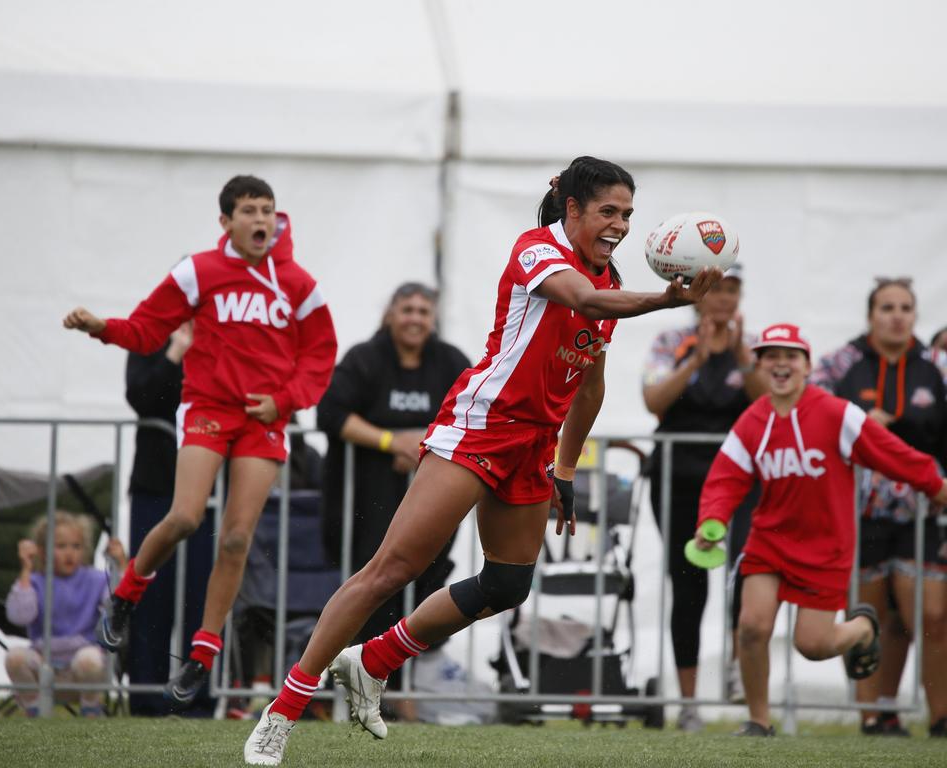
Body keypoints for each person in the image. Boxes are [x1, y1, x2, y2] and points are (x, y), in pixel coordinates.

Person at [242, 155, 724, 765]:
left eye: (628, 214)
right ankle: (282, 712)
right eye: (608, 211)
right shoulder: (537, 250)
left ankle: (373, 661)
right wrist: (665, 299)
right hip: (480, 428)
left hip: (533, 446)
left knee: (507, 584)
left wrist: (566, 469)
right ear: (572, 208)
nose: (620, 225)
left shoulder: (608, 279)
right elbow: (581, 299)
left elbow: (591, 386)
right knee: (391, 569)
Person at [63, 175, 337, 706]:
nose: (261, 219)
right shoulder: (198, 272)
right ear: (226, 223)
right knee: (185, 517)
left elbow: (321, 355)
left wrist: (283, 402)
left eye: (267, 210)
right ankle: (126, 594)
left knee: (236, 539)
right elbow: (146, 330)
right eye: (249, 210)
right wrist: (101, 327)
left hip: (263, 419)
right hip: (209, 409)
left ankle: (202, 653)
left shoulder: (299, 283)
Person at [695, 323, 947, 737]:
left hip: (826, 546)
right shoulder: (751, 422)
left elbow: (889, 453)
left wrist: (934, 484)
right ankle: (759, 720)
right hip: (769, 540)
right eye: (771, 356)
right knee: (753, 626)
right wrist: (712, 522)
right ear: (758, 366)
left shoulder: (835, 412)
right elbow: (725, 479)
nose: (780, 364)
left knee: (811, 645)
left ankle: (863, 627)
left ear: (808, 366)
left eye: (791, 355)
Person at [316, 282, 469, 701]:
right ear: (390, 314)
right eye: (407, 310)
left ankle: (396, 695)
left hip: (431, 503)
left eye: (423, 311)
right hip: (362, 505)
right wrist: (390, 441)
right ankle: (346, 691)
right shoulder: (365, 359)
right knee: (371, 594)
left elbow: (475, 414)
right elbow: (329, 412)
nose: (415, 318)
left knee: (422, 594)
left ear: (433, 319)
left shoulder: (450, 362)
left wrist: (423, 445)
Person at [811, 277, 947, 737]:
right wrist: (858, 420)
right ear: (871, 315)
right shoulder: (842, 363)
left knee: (929, 615)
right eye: (886, 307)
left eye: (905, 307)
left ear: (914, 316)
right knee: (869, 615)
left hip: (921, 510)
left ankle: (941, 716)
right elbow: (809, 408)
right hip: (858, 508)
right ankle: (874, 716)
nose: (896, 315)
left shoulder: (936, 368)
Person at [641, 263, 765, 728]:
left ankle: (741, 677)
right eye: (717, 289)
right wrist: (697, 359)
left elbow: (765, 404)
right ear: (700, 293)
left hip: (740, 484)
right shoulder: (672, 341)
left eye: (733, 289)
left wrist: (737, 356)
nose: (724, 299)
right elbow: (654, 400)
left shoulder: (751, 348)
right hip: (680, 481)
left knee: (745, 574)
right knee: (687, 584)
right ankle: (689, 704)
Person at [124, 320, 217, 716]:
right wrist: (176, 350)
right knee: (151, 595)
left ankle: (198, 699)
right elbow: (144, 398)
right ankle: (146, 698)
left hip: (210, 490)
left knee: (201, 596)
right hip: (156, 486)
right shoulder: (147, 337)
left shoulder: (225, 341)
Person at [4, 511, 127, 716]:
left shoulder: (95, 579)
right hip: (43, 669)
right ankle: (34, 708)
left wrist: (121, 565)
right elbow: (19, 616)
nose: (70, 553)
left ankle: (91, 707)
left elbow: (119, 605)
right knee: (14, 658)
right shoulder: (35, 581)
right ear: (43, 552)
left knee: (90, 659)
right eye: (61, 546)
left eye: (76, 546)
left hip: (83, 671)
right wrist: (25, 570)